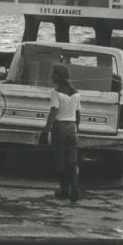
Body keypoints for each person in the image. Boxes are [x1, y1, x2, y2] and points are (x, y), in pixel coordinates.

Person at [40, 63, 81, 201]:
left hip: (60, 128)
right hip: (72, 128)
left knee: (60, 161)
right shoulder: (76, 93)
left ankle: (64, 190)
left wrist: (45, 131)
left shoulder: (56, 92)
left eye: (54, 74)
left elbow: (54, 112)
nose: (51, 77)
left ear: (60, 76)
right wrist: (76, 129)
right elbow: (78, 114)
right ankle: (74, 188)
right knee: (72, 161)